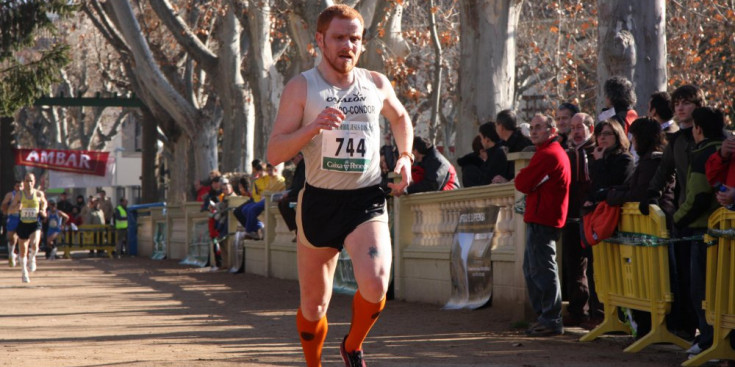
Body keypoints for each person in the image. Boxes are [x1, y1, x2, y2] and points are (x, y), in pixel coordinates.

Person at [266, 5, 414, 366]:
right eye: (339, 38)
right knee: (314, 306)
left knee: (377, 284)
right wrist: (312, 127)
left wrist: (406, 156)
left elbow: (400, 116)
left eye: (355, 38)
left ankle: (352, 345)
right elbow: (273, 153)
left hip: (365, 199)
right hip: (319, 202)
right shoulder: (302, 87)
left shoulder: (376, 83)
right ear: (320, 40)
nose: (347, 45)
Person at [640, 84, 706, 342]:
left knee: (705, 282)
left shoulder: (715, 137)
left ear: (698, 106)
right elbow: (664, 170)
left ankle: (710, 337)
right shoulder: (676, 140)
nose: (680, 107)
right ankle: (689, 331)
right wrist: (651, 194)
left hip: (706, 219)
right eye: (677, 103)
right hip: (682, 217)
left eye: (687, 102)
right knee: (685, 279)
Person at [514, 113, 570, 337]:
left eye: (539, 127)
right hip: (542, 218)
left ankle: (551, 318)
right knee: (533, 269)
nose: (534, 131)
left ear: (551, 131)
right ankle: (545, 317)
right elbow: (526, 183)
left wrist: (524, 175)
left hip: (543, 219)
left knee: (542, 270)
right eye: (533, 127)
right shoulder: (547, 153)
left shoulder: (548, 154)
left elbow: (523, 182)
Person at [560, 113, 596, 328]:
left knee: (593, 268)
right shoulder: (569, 152)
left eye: (580, 126)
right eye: (572, 127)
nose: (575, 131)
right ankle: (577, 312)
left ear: (590, 128)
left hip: (591, 217)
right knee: (574, 267)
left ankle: (596, 313)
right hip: (572, 217)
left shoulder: (594, 152)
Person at [8, 173, 47, 283]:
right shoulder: (19, 195)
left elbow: (44, 203)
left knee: (35, 243)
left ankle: (33, 258)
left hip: (35, 223)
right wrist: (16, 207)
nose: (28, 183)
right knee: (23, 250)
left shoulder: (38, 193)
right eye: (26, 181)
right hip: (23, 223)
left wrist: (43, 210)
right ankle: (24, 272)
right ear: (24, 182)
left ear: (34, 182)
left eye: (31, 181)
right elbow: (10, 210)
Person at [392, 136, 458, 196]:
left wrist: (407, 189)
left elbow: (431, 185)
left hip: (449, 199)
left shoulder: (438, 162)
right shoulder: (427, 160)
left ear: (415, 151)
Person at [243, 163, 286, 240]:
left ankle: (249, 231)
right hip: (265, 199)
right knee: (245, 210)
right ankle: (258, 227)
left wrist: (263, 196)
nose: (269, 172)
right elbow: (265, 191)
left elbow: (270, 191)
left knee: (252, 209)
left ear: (275, 170)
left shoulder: (279, 179)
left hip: (272, 200)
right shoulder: (270, 179)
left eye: (271, 170)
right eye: (268, 170)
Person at [495, 109, 532, 182]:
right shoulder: (508, 143)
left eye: (496, 125)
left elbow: (522, 173)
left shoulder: (522, 144)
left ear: (501, 127)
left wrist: (506, 182)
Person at [278, 153, 306, 241]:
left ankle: (298, 230)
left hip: (304, 194)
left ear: (300, 156)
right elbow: (295, 185)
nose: (292, 161)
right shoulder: (299, 166)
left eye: (293, 159)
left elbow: (301, 185)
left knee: (285, 203)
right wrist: (287, 192)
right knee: (282, 203)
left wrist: (289, 194)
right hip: (297, 193)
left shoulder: (304, 166)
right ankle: (296, 230)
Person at [1, 180, 23, 267]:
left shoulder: (26, 194)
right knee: (11, 237)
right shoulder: (10, 195)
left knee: (23, 238)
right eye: (17, 186)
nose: (19, 188)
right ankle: (11, 253)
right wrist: (6, 210)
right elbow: (3, 205)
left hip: (23, 218)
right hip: (13, 217)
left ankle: (22, 256)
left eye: (21, 186)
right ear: (14, 187)